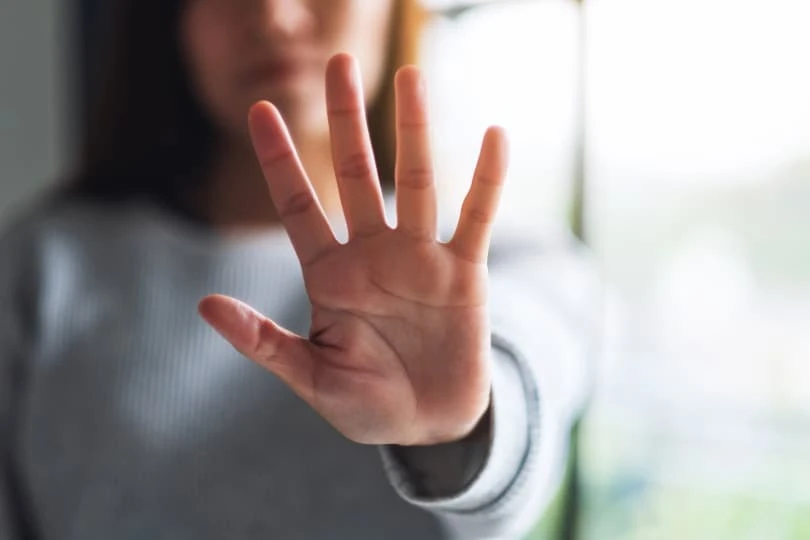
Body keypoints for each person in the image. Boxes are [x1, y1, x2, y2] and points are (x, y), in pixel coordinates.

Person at [0, 0, 600, 538]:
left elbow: (523, 406)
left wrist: (457, 435)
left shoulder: (517, 265)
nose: (275, 16)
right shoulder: (38, 271)